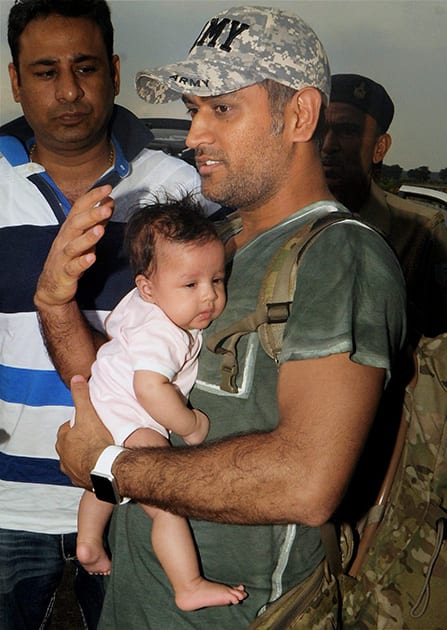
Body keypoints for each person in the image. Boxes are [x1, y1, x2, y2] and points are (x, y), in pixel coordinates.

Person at [36, 6, 407, 628]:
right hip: (136, 606)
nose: (194, 135)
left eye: (222, 109)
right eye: (193, 110)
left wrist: (114, 468)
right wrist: (56, 303)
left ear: (300, 115)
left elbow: (306, 482)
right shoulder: (213, 242)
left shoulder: (339, 257)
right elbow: (116, 386)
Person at [0, 1, 217, 628]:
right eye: (44, 71)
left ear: (115, 72)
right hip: (8, 501)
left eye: (85, 67)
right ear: (15, 80)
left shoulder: (178, 189)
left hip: (136, 493)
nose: (69, 90)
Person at [76, 196, 247, 610]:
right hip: (132, 414)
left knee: (106, 470)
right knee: (166, 501)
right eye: (191, 285)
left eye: (217, 280)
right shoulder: (165, 332)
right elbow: (151, 389)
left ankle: (87, 543)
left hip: (105, 402)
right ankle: (187, 585)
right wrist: (189, 425)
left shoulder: (142, 303)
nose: (208, 297)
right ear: (147, 287)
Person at [322, 73, 447, 339]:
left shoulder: (422, 232)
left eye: (347, 131)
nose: (329, 145)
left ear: (379, 148)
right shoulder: (275, 220)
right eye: (320, 130)